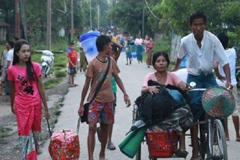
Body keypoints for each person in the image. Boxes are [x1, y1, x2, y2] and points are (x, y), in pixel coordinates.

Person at [171, 11, 232, 160]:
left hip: (208, 76)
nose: (198, 28)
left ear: (205, 25)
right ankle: (195, 151)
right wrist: (174, 70)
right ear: (191, 26)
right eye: (195, 25)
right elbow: (180, 56)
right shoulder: (186, 40)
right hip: (193, 78)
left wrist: (228, 81)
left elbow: (224, 62)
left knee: (218, 99)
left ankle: (215, 130)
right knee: (194, 109)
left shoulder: (213, 40)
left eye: (201, 24)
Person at [78, 35, 131, 160]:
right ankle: (91, 157)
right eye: (109, 44)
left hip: (109, 101)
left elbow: (117, 78)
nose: (111, 46)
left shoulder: (111, 61)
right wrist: (81, 104)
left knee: (105, 128)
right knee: (91, 126)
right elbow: (86, 86)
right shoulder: (93, 64)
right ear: (104, 46)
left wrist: (125, 93)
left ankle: (102, 153)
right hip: (95, 101)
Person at [142, 51, 190, 158]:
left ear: (167, 63)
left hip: (171, 109)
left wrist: (184, 86)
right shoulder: (150, 76)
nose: (161, 63)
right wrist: (149, 88)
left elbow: (180, 84)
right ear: (154, 64)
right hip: (156, 110)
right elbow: (143, 90)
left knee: (185, 111)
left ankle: (181, 145)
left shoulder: (172, 76)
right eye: (158, 61)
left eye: (163, 61)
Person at [7, 39, 50, 160]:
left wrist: (46, 108)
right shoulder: (12, 70)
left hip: (36, 104)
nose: (26, 54)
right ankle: (27, 157)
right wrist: (12, 105)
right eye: (23, 51)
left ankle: (34, 151)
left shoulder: (35, 67)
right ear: (17, 53)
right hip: (21, 106)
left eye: (28, 51)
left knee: (36, 133)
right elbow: (12, 90)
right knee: (24, 134)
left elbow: (41, 88)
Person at [214, 32, 240, 141]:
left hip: (221, 83)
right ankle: (238, 135)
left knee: (223, 110)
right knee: (235, 110)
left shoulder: (217, 53)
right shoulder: (233, 52)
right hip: (232, 83)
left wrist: (218, 75)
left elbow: (215, 65)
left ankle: (226, 135)